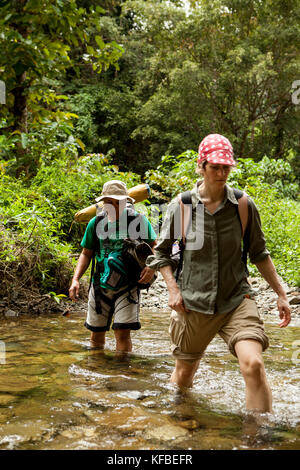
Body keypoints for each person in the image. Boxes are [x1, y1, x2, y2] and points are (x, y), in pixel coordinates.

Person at [146, 134, 291, 413]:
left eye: (226, 167)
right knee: (183, 376)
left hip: (236, 299)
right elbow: (161, 253)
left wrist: (282, 294)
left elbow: (258, 253)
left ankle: (257, 437)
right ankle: (180, 423)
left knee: (254, 364)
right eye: (215, 167)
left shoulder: (244, 206)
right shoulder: (183, 206)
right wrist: (173, 291)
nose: (222, 173)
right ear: (201, 166)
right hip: (193, 303)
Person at [69, 180, 156, 353]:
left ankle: (121, 374)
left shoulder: (139, 221)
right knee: (96, 334)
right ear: (104, 202)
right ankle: (97, 368)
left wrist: (151, 266)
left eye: (119, 202)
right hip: (100, 286)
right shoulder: (95, 223)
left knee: (122, 333)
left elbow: (155, 245)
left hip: (129, 285)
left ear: (127, 201)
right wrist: (76, 279)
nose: (115, 206)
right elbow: (86, 253)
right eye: (110, 202)